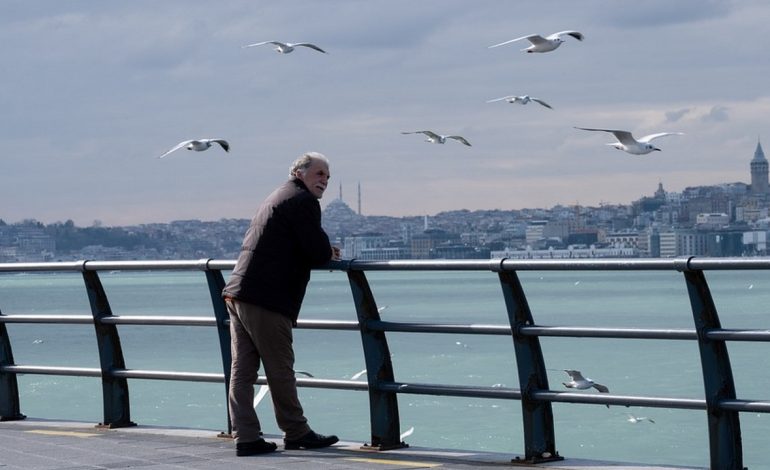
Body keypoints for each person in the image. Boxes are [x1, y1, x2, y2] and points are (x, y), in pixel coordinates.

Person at [222, 151, 341, 456]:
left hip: (239, 290)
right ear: (299, 173)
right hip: (266, 296)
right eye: (319, 174)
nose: (325, 181)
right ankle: (296, 431)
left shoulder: (277, 196)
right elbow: (315, 251)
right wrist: (329, 251)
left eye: (327, 176)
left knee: (242, 370)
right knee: (280, 367)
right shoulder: (302, 202)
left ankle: (246, 436)